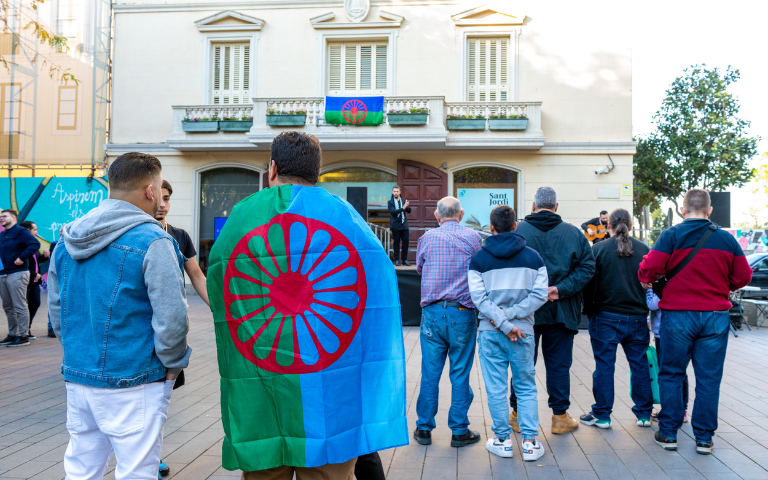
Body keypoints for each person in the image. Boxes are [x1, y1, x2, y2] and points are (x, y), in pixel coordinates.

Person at [206, 131, 408, 479]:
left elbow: (219, 281)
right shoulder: (345, 216)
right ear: (317, 171)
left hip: (261, 390)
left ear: (272, 169)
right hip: (330, 397)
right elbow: (379, 281)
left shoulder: (242, 216)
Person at [48, 152, 191, 479]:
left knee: (81, 469)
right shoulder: (154, 240)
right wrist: (173, 363)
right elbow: (172, 318)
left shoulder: (67, 238)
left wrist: (75, 352)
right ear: (150, 190)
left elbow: (58, 311)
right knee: (137, 472)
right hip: (134, 378)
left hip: (79, 375)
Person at [639, 189, 752, 455]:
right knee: (709, 379)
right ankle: (704, 438)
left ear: (682, 210)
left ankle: (668, 434)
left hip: (678, 315)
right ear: (710, 211)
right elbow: (744, 276)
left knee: (672, 374)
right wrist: (723, 286)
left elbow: (647, 270)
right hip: (715, 316)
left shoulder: (671, 235)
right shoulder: (726, 239)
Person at [508, 187, 595, 435]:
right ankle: (559, 417)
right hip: (562, 311)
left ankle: (516, 415)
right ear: (556, 207)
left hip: (525, 312)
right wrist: (560, 289)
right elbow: (588, 268)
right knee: (558, 365)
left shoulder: (518, 231)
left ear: (534, 206)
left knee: (522, 363)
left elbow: (507, 268)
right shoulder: (573, 233)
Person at [469, 205, 548, 461]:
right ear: (515, 226)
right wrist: (513, 319)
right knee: (525, 386)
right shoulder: (534, 258)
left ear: (491, 228)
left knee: (495, 387)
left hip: (491, 331)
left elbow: (478, 299)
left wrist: (502, 321)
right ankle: (529, 443)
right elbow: (539, 296)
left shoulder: (478, 259)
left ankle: (502, 440)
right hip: (523, 332)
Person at [413, 196, 483, 448]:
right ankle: (459, 430)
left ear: (436, 215)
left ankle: (423, 429)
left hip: (431, 314)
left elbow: (420, 269)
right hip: (462, 313)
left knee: (430, 373)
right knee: (460, 373)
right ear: (461, 214)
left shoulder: (426, 239)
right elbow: (480, 270)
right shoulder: (474, 238)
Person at [580, 208, 654, 429]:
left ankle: (602, 415)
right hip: (638, 317)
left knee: (604, 366)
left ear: (608, 226)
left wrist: (590, 310)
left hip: (605, 317)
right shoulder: (644, 250)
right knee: (640, 365)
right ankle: (644, 415)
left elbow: (589, 285)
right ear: (630, 226)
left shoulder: (599, 250)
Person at [155, 180, 209, 305]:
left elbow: (196, 276)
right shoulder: (138, 234)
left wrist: (218, 309)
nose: (162, 204)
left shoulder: (181, 235)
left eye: (166, 199)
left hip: (175, 309)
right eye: (158, 199)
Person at [646, 288, 689, 424]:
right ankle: (682, 410)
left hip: (665, 332)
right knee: (680, 371)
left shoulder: (663, 284)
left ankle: (671, 411)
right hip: (682, 329)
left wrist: (649, 290)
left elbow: (652, 304)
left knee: (668, 372)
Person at [0, 209, 40, 347]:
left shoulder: (20, 232)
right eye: (1, 217)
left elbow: (35, 244)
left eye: (4, 216)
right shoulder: (2, 235)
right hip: (4, 273)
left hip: (17, 273)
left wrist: (22, 258)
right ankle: (12, 334)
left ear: (14, 218)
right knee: (7, 306)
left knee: (19, 305)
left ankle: (23, 335)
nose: (1, 218)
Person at [20, 221, 43, 339]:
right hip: (25, 280)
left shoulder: (33, 244)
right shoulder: (21, 245)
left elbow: (35, 261)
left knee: (35, 303)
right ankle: (23, 331)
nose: (37, 232)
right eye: (35, 229)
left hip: (34, 281)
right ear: (28, 231)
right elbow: (21, 263)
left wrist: (45, 257)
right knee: (23, 306)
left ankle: (27, 328)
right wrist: (33, 274)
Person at [43, 225, 65, 338]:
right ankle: (50, 327)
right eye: (60, 231)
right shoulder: (55, 243)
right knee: (54, 300)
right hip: (56, 276)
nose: (61, 232)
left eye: (63, 231)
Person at [388, 185, 411, 266]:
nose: (396, 193)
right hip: (395, 226)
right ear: (392, 192)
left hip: (404, 225)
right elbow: (393, 212)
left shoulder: (404, 200)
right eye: (394, 191)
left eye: (397, 191)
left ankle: (405, 260)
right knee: (396, 243)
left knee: (405, 242)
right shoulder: (390, 202)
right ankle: (397, 260)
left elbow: (409, 211)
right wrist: (403, 208)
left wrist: (407, 206)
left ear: (400, 192)